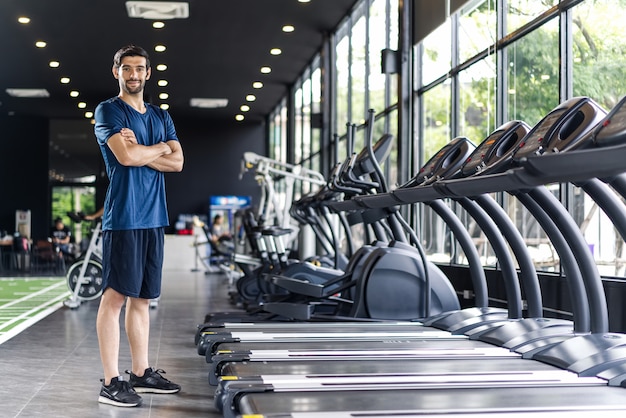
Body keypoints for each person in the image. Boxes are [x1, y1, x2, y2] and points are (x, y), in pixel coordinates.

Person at [93, 44, 184, 408]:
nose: (134, 75)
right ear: (116, 71)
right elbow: (126, 157)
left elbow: (178, 163)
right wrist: (159, 150)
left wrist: (153, 148)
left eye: (140, 69)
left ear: (148, 73)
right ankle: (111, 382)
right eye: (127, 68)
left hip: (153, 216)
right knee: (115, 297)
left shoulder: (161, 117)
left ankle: (141, 372)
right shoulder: (108, 111)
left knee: (143, 299)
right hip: (125, 217)